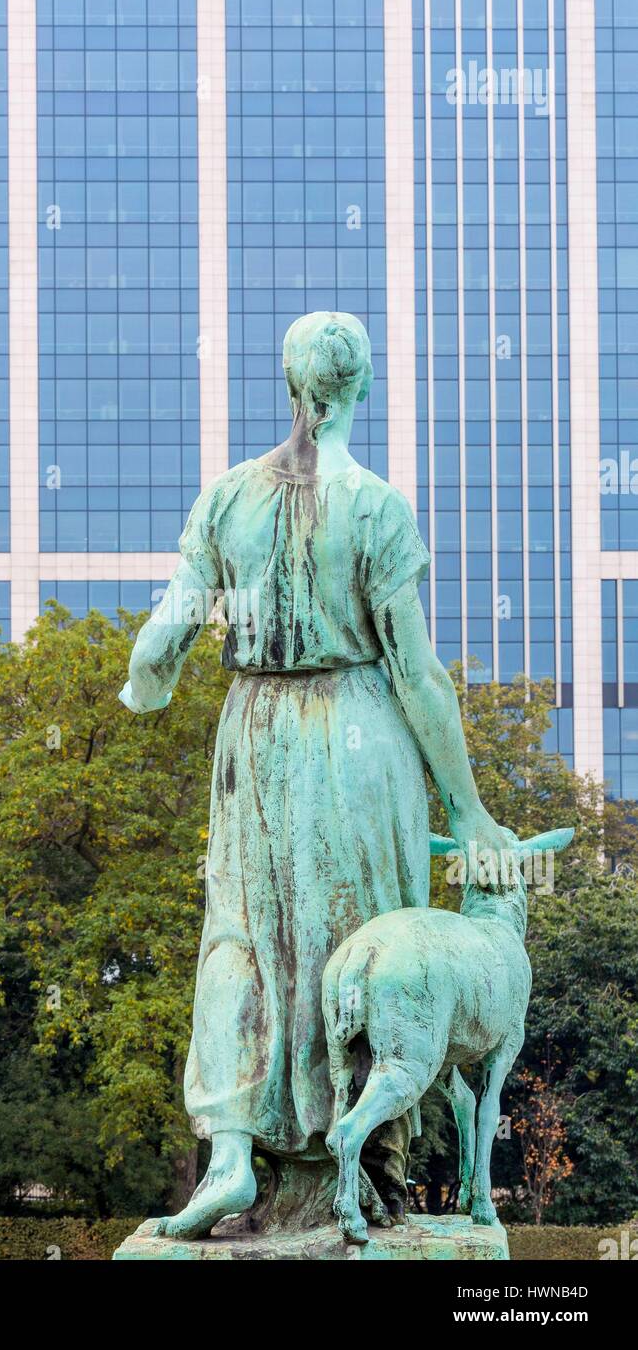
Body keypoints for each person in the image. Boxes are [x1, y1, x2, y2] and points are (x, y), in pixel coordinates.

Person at [119, 310, 514, 1239]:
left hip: (254, 734)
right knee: (364, 944)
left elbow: (165, 635)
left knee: (241, 939)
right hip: (359, 738)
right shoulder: (376, 506)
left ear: (290, 387)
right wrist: (470, 808)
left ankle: (229, 1153)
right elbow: (417, 674)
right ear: (361, 389)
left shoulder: (226, 501)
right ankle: (362, 1171)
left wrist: (147, 681)